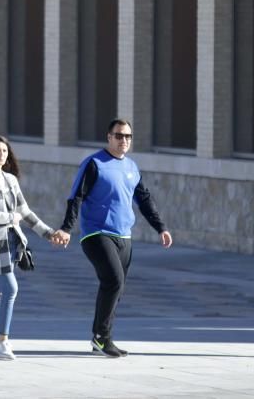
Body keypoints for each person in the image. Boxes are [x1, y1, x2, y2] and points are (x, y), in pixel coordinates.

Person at [54, 119, 172, 358]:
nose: (124, 140)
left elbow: (145, 200)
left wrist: (161, 227)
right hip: (97, 233)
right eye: (119, 136)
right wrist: (67, 228)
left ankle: (103, 337)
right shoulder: (94, 163)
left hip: (124, 235)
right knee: (114, 281)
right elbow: (76, 197)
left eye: (128, 136)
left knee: (115, 287)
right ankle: (100, 337)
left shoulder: (131, 167)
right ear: (108, 137)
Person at [0, 135, 65, 361]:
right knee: (10, 289)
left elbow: (26, 212)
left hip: (13, 242)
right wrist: (8, 217)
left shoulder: (11, 180)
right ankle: (3, 342)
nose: (1, 154)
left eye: (4, 151)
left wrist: (49, 233)